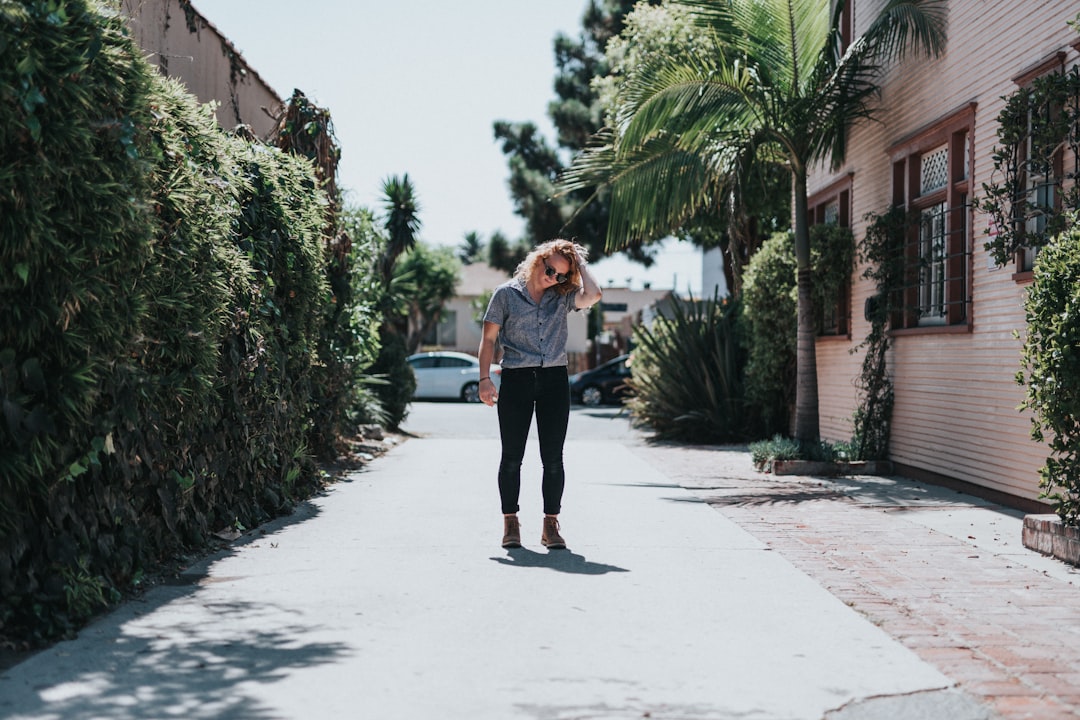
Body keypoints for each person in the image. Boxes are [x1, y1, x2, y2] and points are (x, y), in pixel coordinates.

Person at [478, 239, 603, 550]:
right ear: (537, 260)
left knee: (553, 459)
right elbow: (489, 339)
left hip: (554, 380)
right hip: (517, 379)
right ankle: (511, 522)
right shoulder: (506, 294)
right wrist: (484, 379)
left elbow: (595, 295)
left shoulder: (561, 297)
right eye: (550, 271)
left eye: (561, 276)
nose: (554, 279)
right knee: (511, 458)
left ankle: (550, 525)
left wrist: (579, 263)